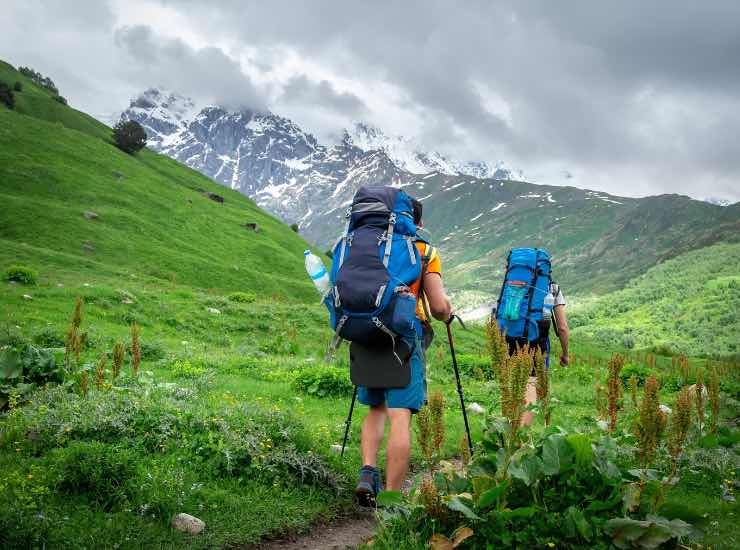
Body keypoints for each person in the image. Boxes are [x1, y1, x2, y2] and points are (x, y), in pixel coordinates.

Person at [354, 198, 452, 506]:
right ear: (416, 222)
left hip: (365, 331)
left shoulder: (364, 244)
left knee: (375, 408)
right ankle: (392, 500)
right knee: (400, 416)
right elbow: (437, 308)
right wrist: (448, 313)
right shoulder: (424, 251)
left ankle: (368, 472)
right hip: (404, 337)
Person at [520, 282, 569, 426]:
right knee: (531, 395)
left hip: (508, 339)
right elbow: (562, 327)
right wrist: (565, 354)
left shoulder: (515, 278)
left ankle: (509, 435)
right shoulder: (552, 288)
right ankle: (516, 440)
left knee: (513, 391)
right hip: (536, 343)